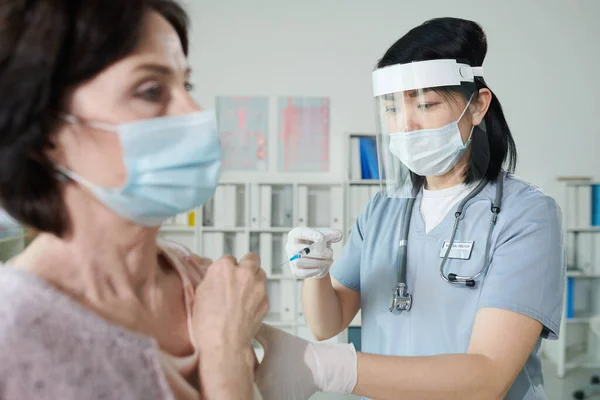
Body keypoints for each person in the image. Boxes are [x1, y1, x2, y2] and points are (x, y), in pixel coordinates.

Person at [0, 1, 359, 399]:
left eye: (185, 86)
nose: (194, 113)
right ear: (46, 131)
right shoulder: (14, 336)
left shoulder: (198, 277)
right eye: (151, 90)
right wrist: (224, 354)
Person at [286, 17, 566, 400]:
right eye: (391, 109)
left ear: (478, 106)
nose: (407, 126)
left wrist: (330, 368)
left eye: (426, 105)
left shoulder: (526, 215)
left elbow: (487, 378)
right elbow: (326, 323)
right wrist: (314, 272)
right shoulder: (382, 211)